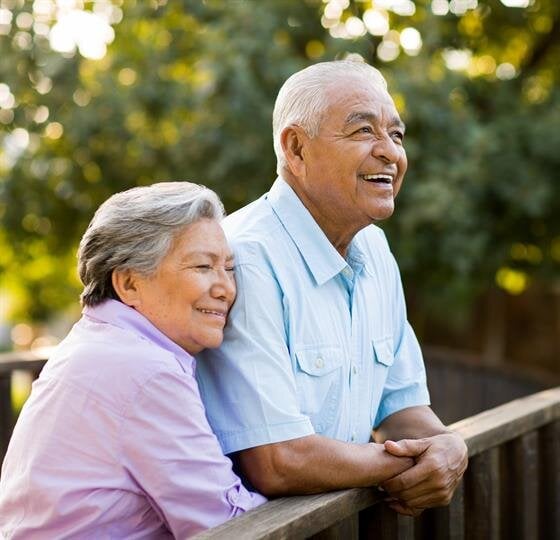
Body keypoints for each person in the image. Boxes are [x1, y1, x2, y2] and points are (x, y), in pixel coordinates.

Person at [196, 60, 468, 516]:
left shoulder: (376, 250)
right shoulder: (245, 256)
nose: (390, 153)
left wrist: (447, 446)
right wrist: (404, 464)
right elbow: (277, 460)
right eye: (364, 132)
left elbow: (401, 408)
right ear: (297, 148)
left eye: (397, 135)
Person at [0, 182, 266, 538]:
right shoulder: (143, 369)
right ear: (129, 284)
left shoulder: (105, 342)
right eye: (203, 266)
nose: (226, 288)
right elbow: (226, 523)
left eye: (229, 268)